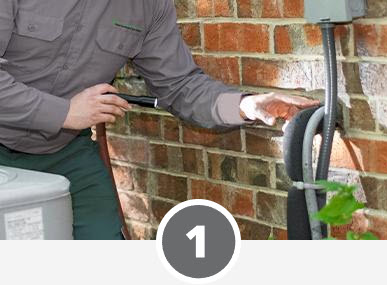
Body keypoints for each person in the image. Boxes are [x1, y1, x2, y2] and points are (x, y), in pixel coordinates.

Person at [0, 0, 319, 239]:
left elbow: (180, 85)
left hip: (64, 153)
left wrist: (246, 105)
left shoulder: (148, 6)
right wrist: (65, 112)